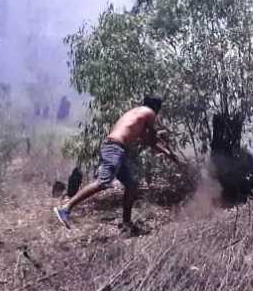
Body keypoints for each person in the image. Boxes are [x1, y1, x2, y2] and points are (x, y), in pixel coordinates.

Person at [54, 96, 178, 232]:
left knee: (131, 185)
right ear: (156, 107)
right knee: (103, 182)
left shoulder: (137, 114)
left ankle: (126, 224)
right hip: (114, 148)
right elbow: (153, 139)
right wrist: (161, 136)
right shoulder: (149, 112)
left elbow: (148, 141)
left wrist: (167, 153)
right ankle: (65, 209)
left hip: (116, 148)